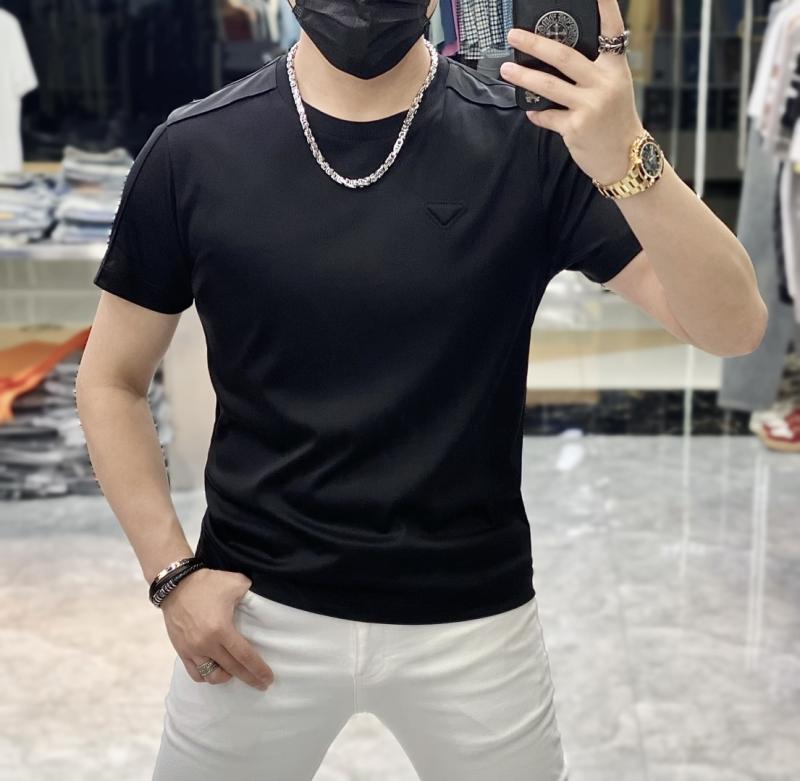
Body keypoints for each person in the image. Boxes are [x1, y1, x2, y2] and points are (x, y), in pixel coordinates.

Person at [75, 0, 766, 778]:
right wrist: (171, 575)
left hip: (473, 616)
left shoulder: (526, 140)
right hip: (254, 612)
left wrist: (627, 153)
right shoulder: (194, 148)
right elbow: (110, 380)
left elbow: (733, 327)